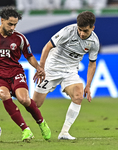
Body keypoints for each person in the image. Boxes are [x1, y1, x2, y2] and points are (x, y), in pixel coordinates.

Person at [0, 6, 51, 142]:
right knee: (3, 95)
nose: (12, 27)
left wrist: (38, 67)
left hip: (15, 72)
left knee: (24, 99)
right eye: (10, 24)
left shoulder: (20, 38)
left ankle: (41, 123)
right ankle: (26, 130)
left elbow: (29, 56)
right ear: (2, 20)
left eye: (15, 25)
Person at [33, 11, 100, 140]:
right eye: (80, 30)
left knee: (78, 96)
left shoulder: (94, 42)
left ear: (93, 28)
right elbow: (47, 47)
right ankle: (27, 126)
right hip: (51, 69)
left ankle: (64, 132)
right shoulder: (67, 31)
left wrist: (88, 85)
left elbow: (92, 64)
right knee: (35, 104)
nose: (81, 33)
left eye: (85, 31)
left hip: (70, 71)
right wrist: (41, 68)